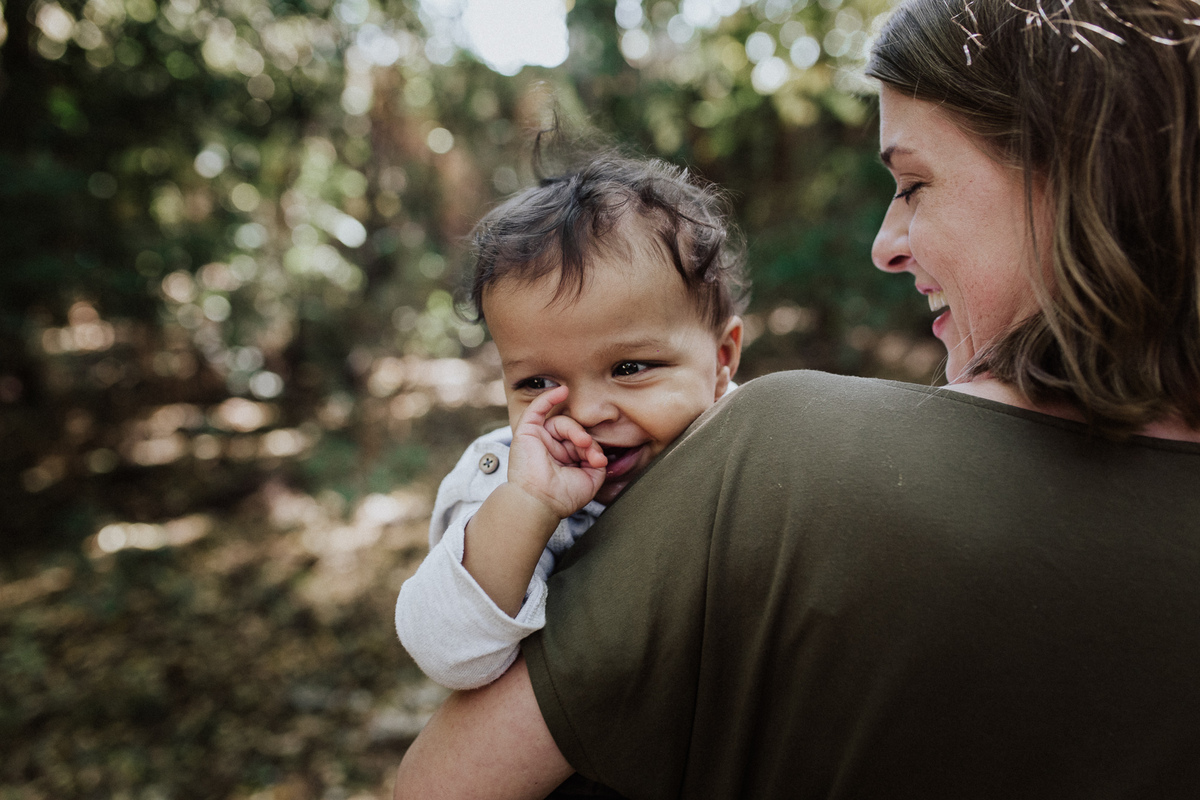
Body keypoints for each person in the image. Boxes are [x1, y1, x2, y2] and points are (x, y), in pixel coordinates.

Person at [393, 0, 1200, 796]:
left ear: (1074, 177)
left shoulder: (773, 465)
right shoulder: (528, 479)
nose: (884, 245)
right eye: (536, 381)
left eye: (914, 184)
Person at [394, 152, 746, 690]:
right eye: (537, 382)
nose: (583, 413)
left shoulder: (752, 441)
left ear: (721, 361)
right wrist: (529, 507)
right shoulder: (508, 484)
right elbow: (447, 654)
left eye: (629, 369)